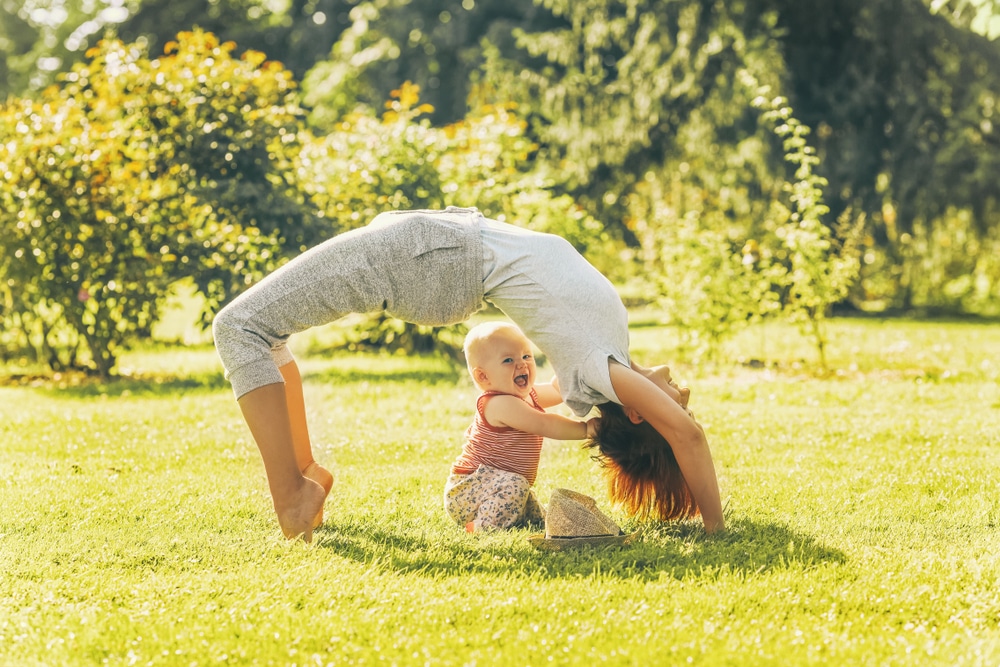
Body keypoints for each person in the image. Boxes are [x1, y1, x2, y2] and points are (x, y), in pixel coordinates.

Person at [212, 206, 725, 542]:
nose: (684, 389)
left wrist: (715, 527)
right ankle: (303, 478)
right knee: (262, 330)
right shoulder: (606, 351)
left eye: (676, 399)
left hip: (433, 257)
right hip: (439, 245)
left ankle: (294, 498)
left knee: (239, 326)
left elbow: (688, 436)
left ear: (638, 412)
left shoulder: (604, 370)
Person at [444, 321, 599, 532]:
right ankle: (481, 526)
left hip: (500, 485)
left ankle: (512, 518)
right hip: (469, 490)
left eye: (526, 356)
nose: (522, 364)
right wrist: (585, 429)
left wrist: (573, 371)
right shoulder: (498, 403)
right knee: (517, 487)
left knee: (537, 516)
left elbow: (559, 391)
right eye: (508, 360)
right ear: (483, 376)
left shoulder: (527, 394)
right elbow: (544, 424)